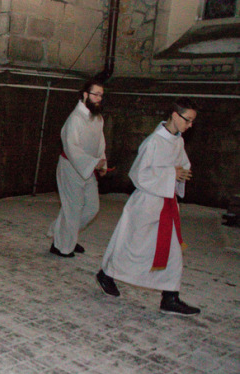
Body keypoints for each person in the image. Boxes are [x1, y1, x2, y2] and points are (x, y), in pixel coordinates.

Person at [96, 98, 200, 316]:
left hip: (167, 204)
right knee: (132, 247)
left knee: (173, 251)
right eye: (188, 120)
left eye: (192, 121)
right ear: (175, 115)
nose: (190, 125)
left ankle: (170, 297)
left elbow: (182, 165)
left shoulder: (178, 141)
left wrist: (179, 173)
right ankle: (107, 274)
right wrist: (171, 174)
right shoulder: (153, 142)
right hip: (147, 204)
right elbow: (138, 174)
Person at [47, 79, 108, 257]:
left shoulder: (98, 118)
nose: (99, 98)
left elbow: (100, 142)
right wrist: (92, 163)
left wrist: (102, 162)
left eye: (101, 95)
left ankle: (64, 235)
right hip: (70, 168)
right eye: (96, 94)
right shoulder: (75, 119)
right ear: (85, 95)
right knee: (73, 208)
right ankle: (62, 246)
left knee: (91, 208)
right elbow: (71, 147)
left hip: (88, 169)